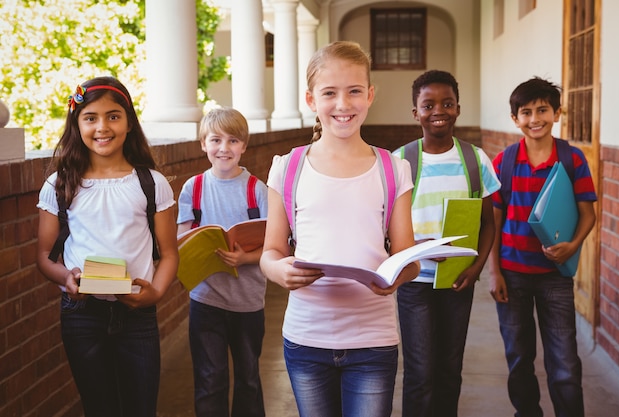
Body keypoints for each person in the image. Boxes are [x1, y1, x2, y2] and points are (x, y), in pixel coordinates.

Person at [259, 41, 418, 417]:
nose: (343, 104)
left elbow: (407, 259)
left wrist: (398, 275)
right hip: (305, 338)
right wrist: (279, 271)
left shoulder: (393, 169)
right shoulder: (287, 167)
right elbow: (270, 252)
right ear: (311, 99)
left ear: (370, 95)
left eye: (354, 91)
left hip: (373, 340)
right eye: (329, 93)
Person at [36, 76, 179, 417]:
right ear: (77, 123)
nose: (103, 126)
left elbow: (170, 253)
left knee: (140, 407)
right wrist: (65, 279)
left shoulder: (150, 183)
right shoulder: (60, 184)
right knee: (99, 407)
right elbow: (43, 256)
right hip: (82, 315)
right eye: (91, 117)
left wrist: (156, 293)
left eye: (113, 116)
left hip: (137, 311)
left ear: (129, 122)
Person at [393, 70, 500, 417]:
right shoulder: (400, 163)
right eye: (428, 104)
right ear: (415, 113)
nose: (438, 110)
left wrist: (477, 267)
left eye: (447, 103)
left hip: (458, 280)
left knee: (450, 370)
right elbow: (384, 227)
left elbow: (488, 223)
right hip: (415, 281)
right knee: (420, 372)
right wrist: (414, 247)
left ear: (458, 109)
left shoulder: (475, 160)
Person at [489, 77, 597, 417]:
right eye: (526, 112)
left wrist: (573, 245)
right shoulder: (503, 163)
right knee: (519, 358)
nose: (535, 119)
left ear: (557, 113)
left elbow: (588, 213)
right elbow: (492, 222)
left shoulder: (572, 159)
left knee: (564, 360)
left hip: (555, 277)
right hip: (512, 275)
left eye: (542, 110)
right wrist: (495, 273)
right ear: (514, 119)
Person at [177, 107, 268, 417]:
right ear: (203, 144)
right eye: (216, 140)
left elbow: (276, 246)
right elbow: (182, 241)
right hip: (206, 300)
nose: (224, 149)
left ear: (244, 145)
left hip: (248, 302)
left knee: (248, 379)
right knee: (209, 379)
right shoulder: (193, 188)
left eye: (233, 141)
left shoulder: (258, 191)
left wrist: (246, 258)